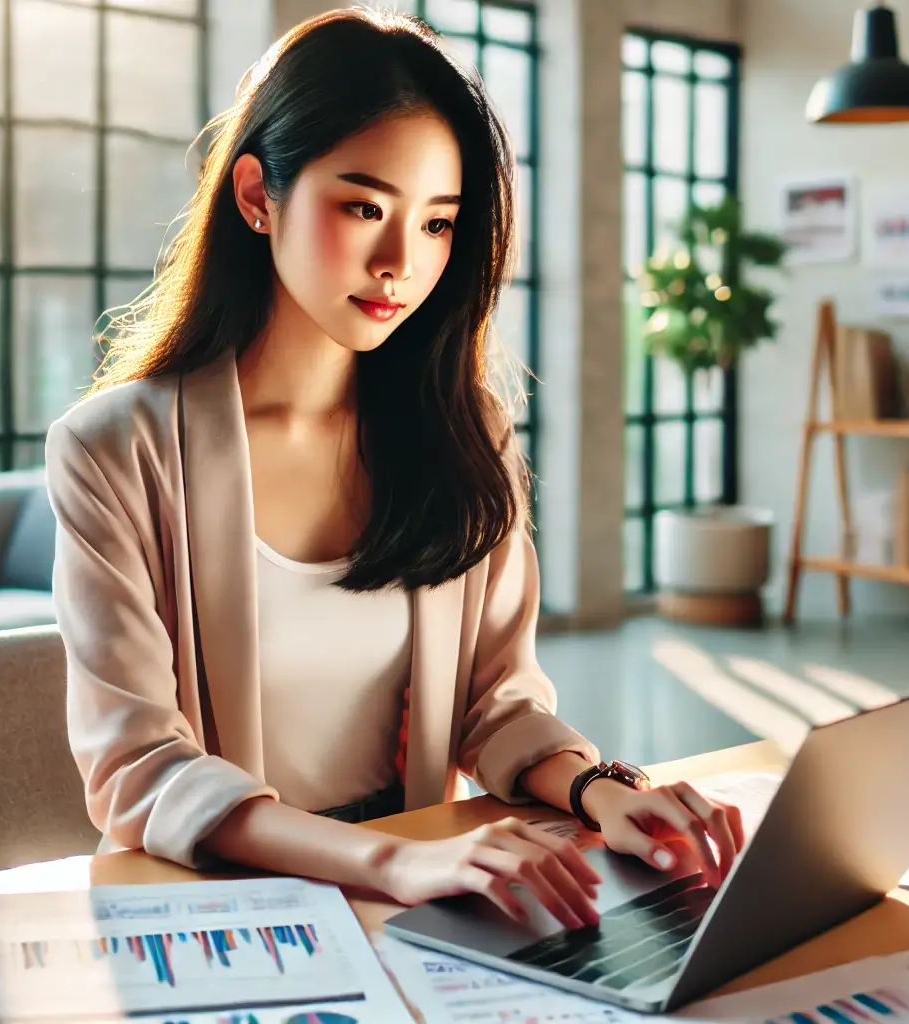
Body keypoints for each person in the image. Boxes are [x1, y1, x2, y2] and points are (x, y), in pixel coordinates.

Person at [45, 7, 742, 932]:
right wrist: (394, 861)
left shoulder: (465, 431)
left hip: (431, 907)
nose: (399, 264)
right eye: (364, 207)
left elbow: (496, 706)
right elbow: (140, 770)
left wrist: (597, 790)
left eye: (438, 224)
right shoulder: (116, 450)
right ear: (257, 195)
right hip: (218, 910)